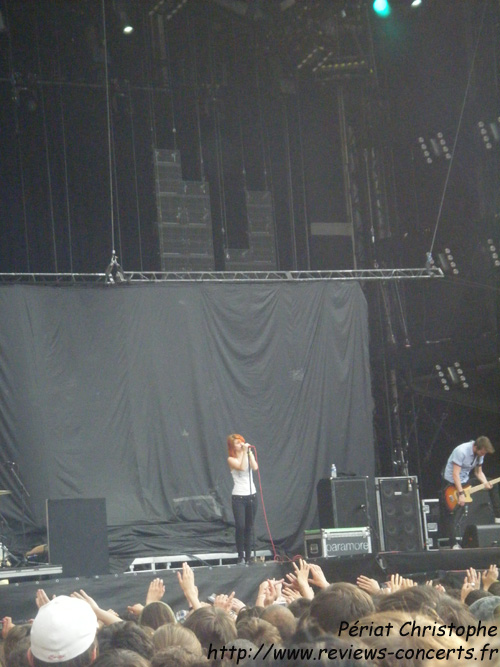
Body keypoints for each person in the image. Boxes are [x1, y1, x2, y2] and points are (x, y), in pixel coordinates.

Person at [441, 436, 500, 549]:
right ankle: (453, 543)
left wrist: (485, 483)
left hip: (465, 481)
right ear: (476, 447)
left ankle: (498, 516)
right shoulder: (461, 451)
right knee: (454, 512)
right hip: (451, 484)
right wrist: (461, 494)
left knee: (494, 484)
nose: (483, 455)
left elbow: (478, 472)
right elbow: (455, 475)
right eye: (483, 452)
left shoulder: (479, 455)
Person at [227, 433, 258, 564]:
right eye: (237, 443)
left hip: (252, 495)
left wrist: (249, 453)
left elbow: (255, 467)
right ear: (232, 447)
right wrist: (245, 452)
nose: (240, 444)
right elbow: (242, 467)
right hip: (238, 497)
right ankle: (240, 555)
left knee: (249, 527)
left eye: (241, 442)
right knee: (240, 526)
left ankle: (249, 556)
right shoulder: (231, 459)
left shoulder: (247, 454)